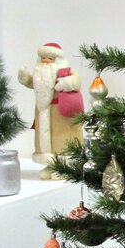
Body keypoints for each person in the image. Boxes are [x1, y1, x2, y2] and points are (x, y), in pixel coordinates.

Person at [18, 43, 84, 178]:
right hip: (43, 111)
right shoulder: (39, 74)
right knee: (47, 143)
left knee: (63, 141)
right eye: (43, 57)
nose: (46, 61)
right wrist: (25, 77)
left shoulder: (66, 72)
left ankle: (65, 168)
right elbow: (32, 83)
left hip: (62, 113)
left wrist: (67, 83)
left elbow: (76, 81)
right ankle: (51, 166)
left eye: (50, 58)